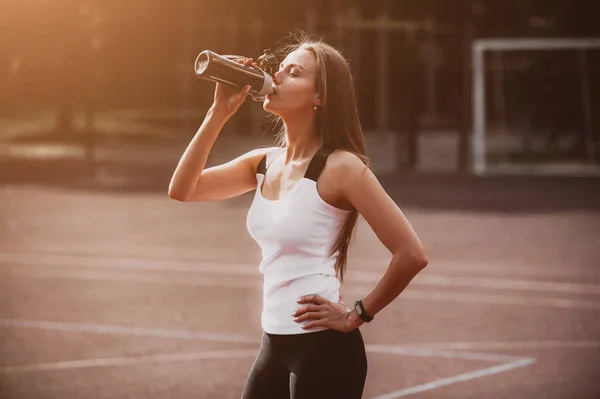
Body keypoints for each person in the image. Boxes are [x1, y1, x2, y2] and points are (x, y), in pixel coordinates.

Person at [168, 35, 428, 399]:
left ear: (319, 97)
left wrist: (356, 314)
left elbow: (411, 253)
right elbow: (183, 189)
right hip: (272, 345)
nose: (277, 78)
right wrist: (218, 114)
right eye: (280, 70)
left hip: (325, 351)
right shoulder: (262, 162)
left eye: (294, 73)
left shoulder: (343, 168)